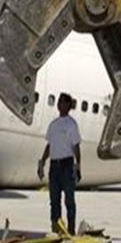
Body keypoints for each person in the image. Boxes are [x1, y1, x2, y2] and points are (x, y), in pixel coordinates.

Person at [37, 92, 81, 234]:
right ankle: (56, 229)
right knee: (54, 200)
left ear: (68, 105)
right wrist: (42, 161)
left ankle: (71, 230)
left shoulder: (71, 124)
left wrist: (78, 166)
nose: (60, 105)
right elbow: (49, 145)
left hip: (67, 166)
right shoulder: (53, 125)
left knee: (69, 200)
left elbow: (76, 146)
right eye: (59, 102)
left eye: (63, 102)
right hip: (54, 166)